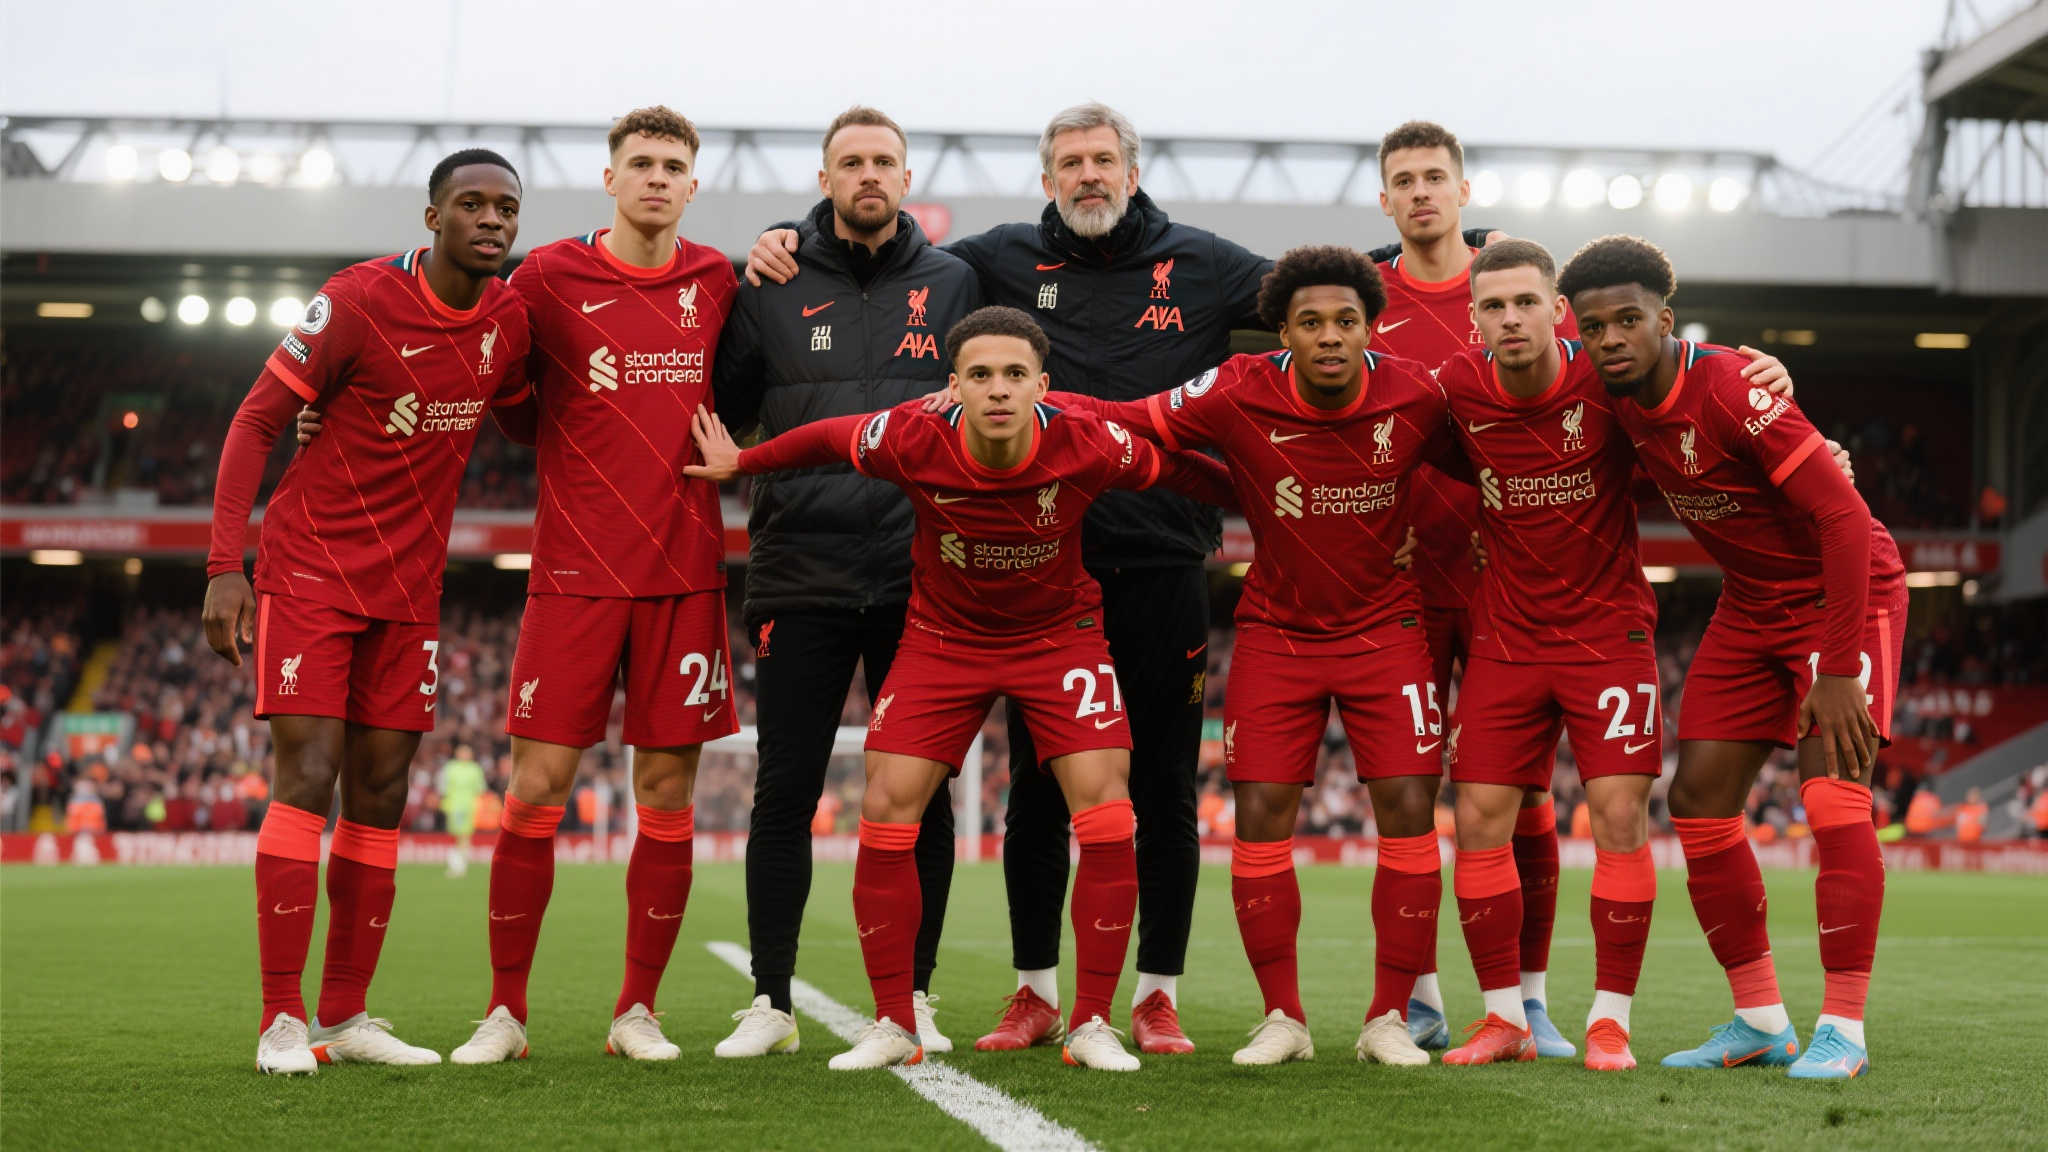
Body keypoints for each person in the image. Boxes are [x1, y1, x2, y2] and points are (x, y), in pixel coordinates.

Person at [684, 305, 1233, 1070]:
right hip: (943, 642)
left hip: (1058, 640)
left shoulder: (1089, 440)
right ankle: (892, 1024)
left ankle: (1091, 1024)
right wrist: (742, 462)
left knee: (1109, 815)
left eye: (1014, 374)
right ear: (954, 385)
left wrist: (1272, 505)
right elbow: (827, 438)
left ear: (1043, 385)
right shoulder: (913, 435)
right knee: (886, 807)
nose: (998, 389)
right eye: (980, 375)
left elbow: (1182, 472)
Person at [1047, 246, 1459, 1067]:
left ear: (1371, 328)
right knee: (1261, 815)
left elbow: (1495, 460)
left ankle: (1388, 1018)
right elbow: (1130, 416)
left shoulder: (1418, 394)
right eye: (1311, 322)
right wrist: (1030, 394)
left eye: (1346, 321)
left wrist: (1452, 540)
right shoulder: (1236, 386)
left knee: (1410, 811)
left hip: (1387, 632)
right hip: (1277, 633)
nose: (1330, 336)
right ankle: (1284, 1018)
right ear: (1282, 332)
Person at [205, 148, 531, 1074]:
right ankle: (281, 1019)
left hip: (410, 592)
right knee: (309, 774)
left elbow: (527, 415)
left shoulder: (509, 320)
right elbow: (255, 421)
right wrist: (225, 566)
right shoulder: (357, 299)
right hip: (311, 571)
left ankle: (346, 1016)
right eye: (471, 204)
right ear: (432, 218)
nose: (491, 220)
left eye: (506, 207)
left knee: (382, 791)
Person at [1562, 234, 1906, 1081]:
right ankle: (1760, 1019)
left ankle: (1844, 1030)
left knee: (1833, 800)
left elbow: (1844, 518)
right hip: (1751, 603)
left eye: (1628, 320)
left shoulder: (1731, 389)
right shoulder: (1608, 394)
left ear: (1665, 320)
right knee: (1699, 802)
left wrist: (1837, 668)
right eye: (1594, 326)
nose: (1610, 338)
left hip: (1842, 594)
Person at [449, 106, 740, 1065]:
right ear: (609, 179)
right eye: (640, 163)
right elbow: (497, 389)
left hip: (683, 573)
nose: (657, 178)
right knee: (536, 790)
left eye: (673, 166)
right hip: (574, 573)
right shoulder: (545, 277)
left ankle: (636, 1012)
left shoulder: (718, 280)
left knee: (666, 793)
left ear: (692, 185)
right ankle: (503, 1013)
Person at [709, 106, 982, 1060]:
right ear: (823, 181)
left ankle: (916, 997)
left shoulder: (956, 282)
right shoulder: (771, 281)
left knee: (924, 796)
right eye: (851, 162)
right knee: (784, 792)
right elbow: (721, 408)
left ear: (907, 179)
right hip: (801, 572)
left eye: (884, 161)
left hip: (924, 579)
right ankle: (771, 1001)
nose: (869, 174)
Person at [1367, 119, 1574, 1054]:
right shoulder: (1361, 298)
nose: (1420, 192)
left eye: (1434, 177)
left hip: (1506, 587)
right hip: (1397, 589)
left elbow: (1621, 370)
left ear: (1463, 190)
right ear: (1384, 200)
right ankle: (1418, 1000)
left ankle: (1528, 1001)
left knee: (1523, 798)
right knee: (1407, 796)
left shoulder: (1512, 287)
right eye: (1404, 180)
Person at [439, 744, 486, 878]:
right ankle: (457, 863)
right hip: (453, 806)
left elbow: (480, 789)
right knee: (456, 834)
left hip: (470, 807)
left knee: (465, 835)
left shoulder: (475, 769)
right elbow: (443, 786)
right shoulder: (450, 767)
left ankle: (459, 865)